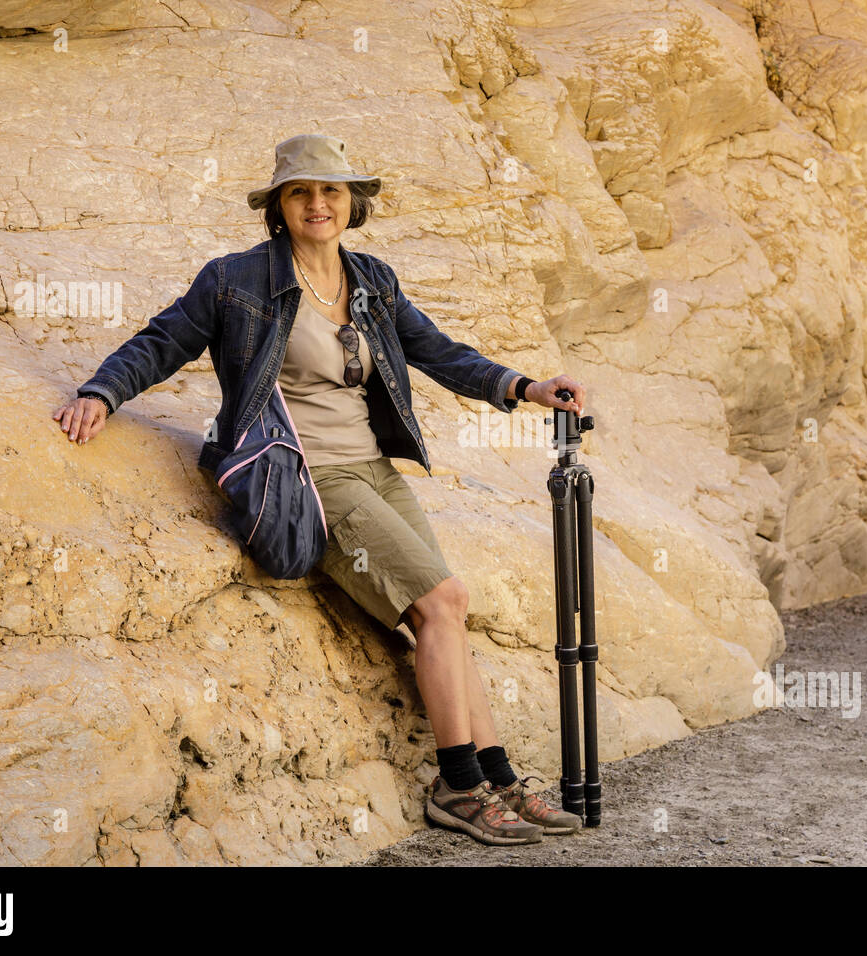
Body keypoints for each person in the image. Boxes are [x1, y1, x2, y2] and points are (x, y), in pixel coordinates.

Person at [53, 133, 588, 847]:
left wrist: (525, 387)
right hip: (309, 474)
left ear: (351, 204)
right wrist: (102, 391)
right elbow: (163, 341)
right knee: (444, 601)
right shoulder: (235, 280)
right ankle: (457, 787)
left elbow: (437, 352)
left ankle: (499, 779)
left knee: (446, 614)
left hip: (375, 470)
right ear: (279, 205)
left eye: (332, 191)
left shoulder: (372, 281)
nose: (317, 204)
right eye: (301, 191)